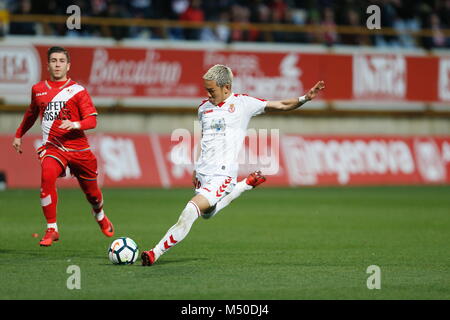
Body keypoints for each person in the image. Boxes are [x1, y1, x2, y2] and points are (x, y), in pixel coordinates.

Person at [141, 64, 325, 266]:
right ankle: (246, 184)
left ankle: (154, 253)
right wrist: (196, 167)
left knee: (191, 210)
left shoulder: (243, 104)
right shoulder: (203, 108)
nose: (209, 95)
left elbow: (280, 104)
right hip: (204, 173)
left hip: (223, 175)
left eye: (212, 90)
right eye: (206, 91)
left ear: (226, 88)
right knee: (207, 214)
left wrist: (304, 98)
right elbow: (205, 139)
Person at [12, 46, 114, 247]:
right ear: (48, 65)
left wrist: (75, 124)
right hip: (53, 148)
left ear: (68, 66)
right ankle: (52, 228)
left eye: (61, 61)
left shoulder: (78, 91)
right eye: (53, 61)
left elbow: (92, 121)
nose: (57, 64)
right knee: (47, 176)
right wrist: (18, 135)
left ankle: (100, 215)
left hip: (79, 150)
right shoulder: (38, 89)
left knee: (92, 193)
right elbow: (31, 114)